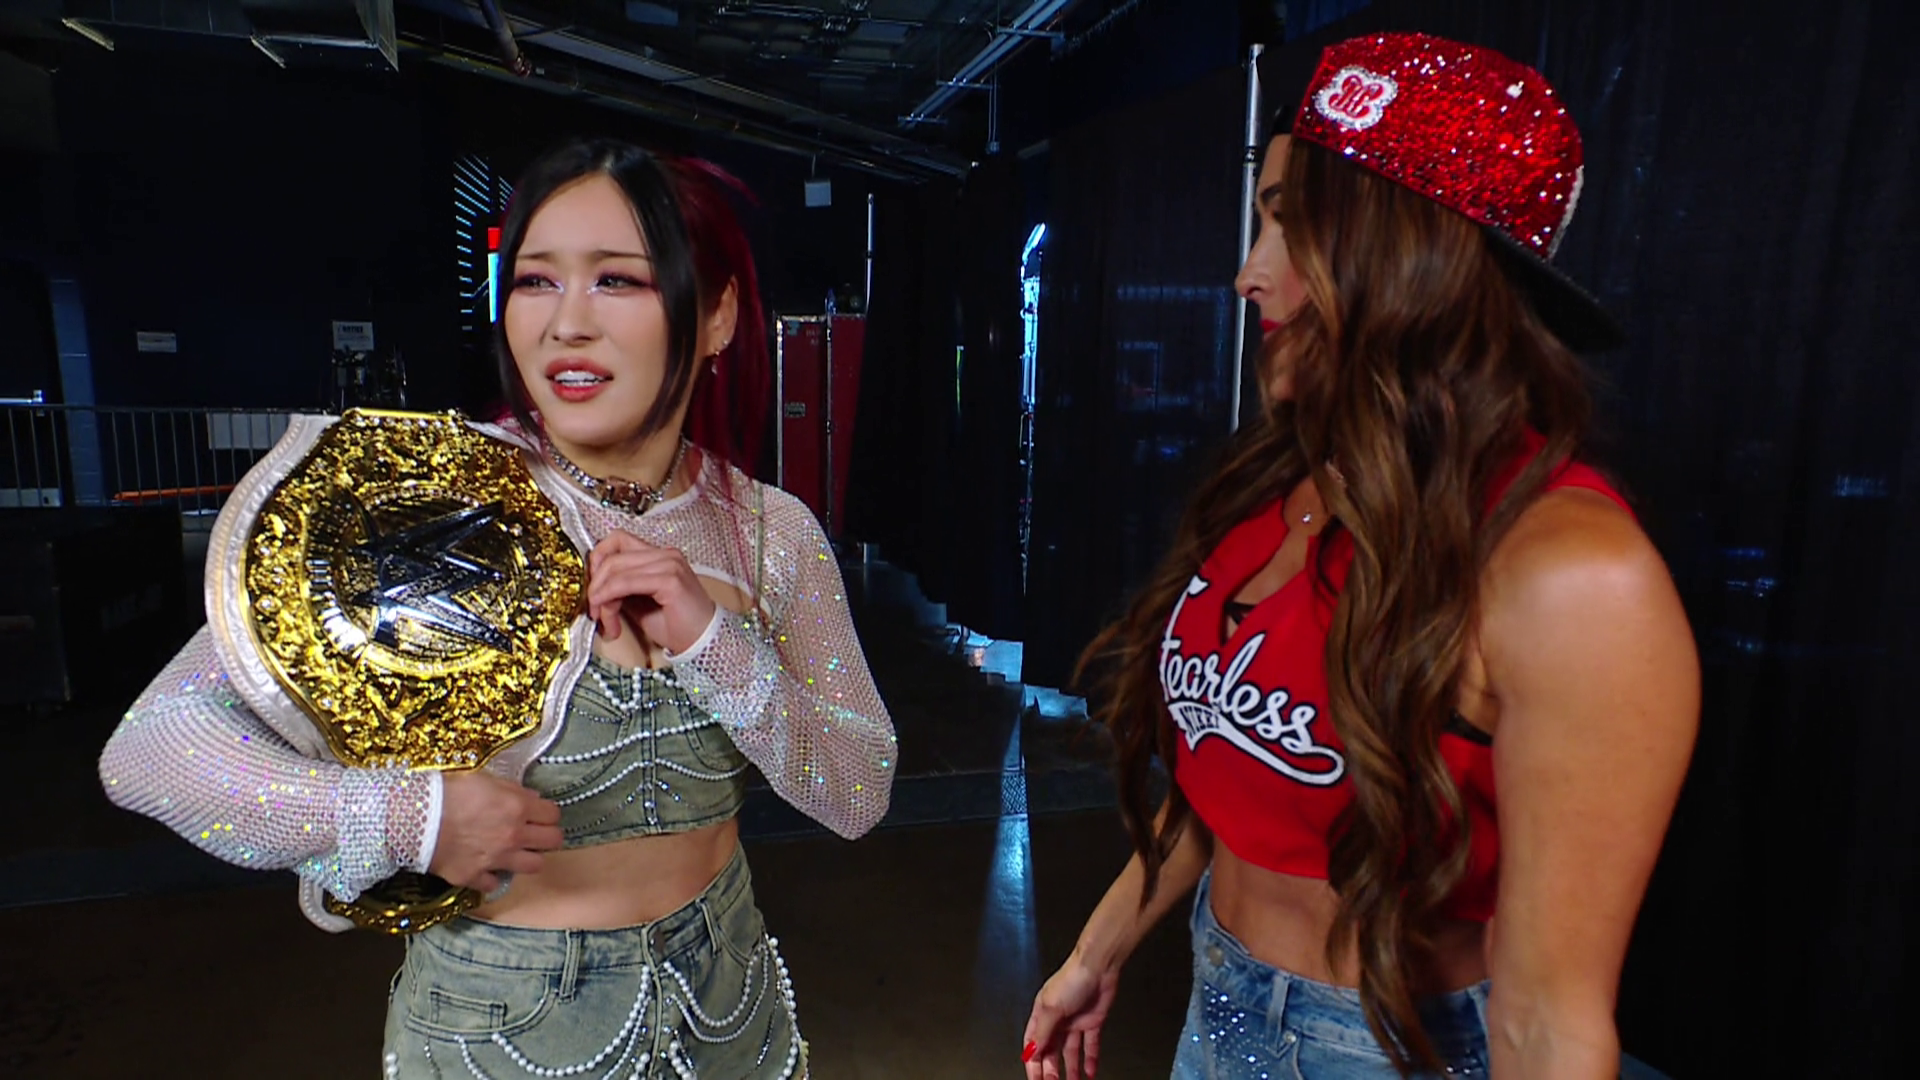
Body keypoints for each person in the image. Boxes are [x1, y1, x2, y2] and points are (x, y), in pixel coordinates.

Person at [98, 138, 896, 1080]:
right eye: (534, 282)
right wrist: (407, 817)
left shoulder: (769, 533)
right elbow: (151, 750)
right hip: (500, 1035)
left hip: (731, 1019)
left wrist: (713, 640)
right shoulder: (428, 503)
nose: (566, 324)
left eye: (616, 280)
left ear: (717, 314)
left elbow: (857, 791)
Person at [1021, 32, 1698, 1080]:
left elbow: (1550, 1026)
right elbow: (1234, 772)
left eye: (1293, 225)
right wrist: (1096, 951)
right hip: (1217, 1002)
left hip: (1387, 1048)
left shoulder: (1570, 574)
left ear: (1416, 257)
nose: (1249, 274)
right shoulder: (1279, 485)